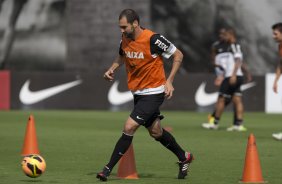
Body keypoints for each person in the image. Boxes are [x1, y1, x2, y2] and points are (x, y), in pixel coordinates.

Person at [96, 9, 193, 181]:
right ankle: (184, 156)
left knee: (129, 127)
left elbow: (178, 55)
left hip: (154, 93)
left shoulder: (153, 39)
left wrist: (169, 80)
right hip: (138, 93)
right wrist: (111, 69)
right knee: (156, 132)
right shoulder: (125, 39)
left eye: (124, 26)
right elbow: (121, 56)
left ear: (135, 24)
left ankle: (107, 169)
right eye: (119, 27)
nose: (121, 30)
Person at [202, 27, 247, 131]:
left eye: (226, 35)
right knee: (237, 99)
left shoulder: (234, 45)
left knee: (221, 100)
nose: (224, 37)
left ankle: (214, 123)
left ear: (231, 35)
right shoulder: (228, 47)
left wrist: (233, 75)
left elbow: (239, 60)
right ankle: (238, 125)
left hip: (232, 76)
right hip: (235, 76)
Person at [271, 22, 282, 141]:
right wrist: (275, 81)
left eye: (275, 34)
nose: (273, 36)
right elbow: (281, 64)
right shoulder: (280, 46)